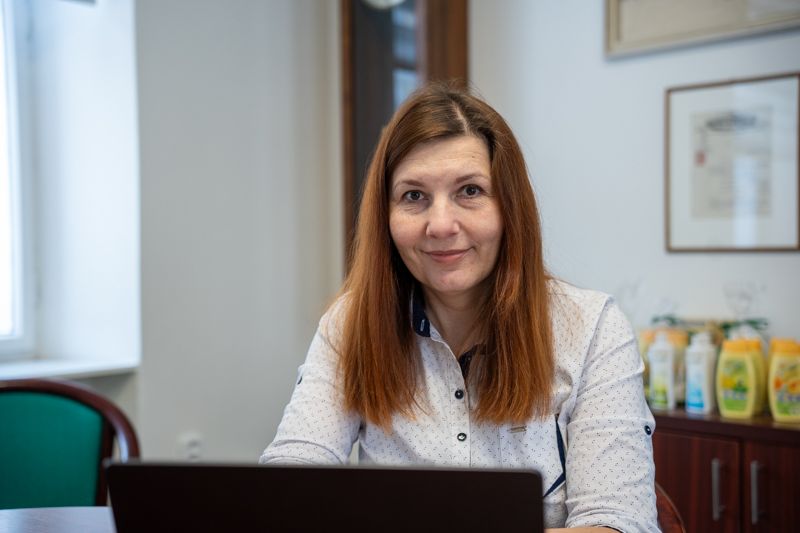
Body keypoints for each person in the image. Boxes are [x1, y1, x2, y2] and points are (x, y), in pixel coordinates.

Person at [260, 83, 658, 532]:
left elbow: (620, 523)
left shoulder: (591, 328)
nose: (441, 225)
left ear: (510, 207)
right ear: (385, 216)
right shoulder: (351, 323)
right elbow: (290, 481)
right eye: (413, 196)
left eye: (470, 191)